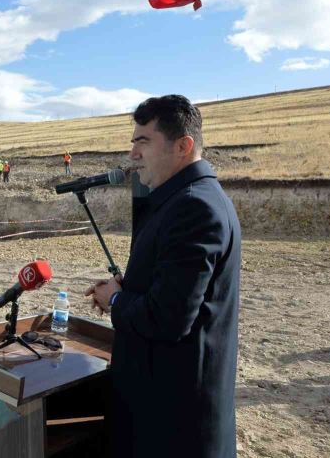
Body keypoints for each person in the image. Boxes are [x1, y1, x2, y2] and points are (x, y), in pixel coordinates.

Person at [84, 95, 241, 458]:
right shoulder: (184, 199)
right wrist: (127, 288)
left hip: (174, 423)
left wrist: (116, 299)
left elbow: (168, 317)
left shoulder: (194, 207)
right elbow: (173, 286)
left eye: (143, 142)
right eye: (132, 142)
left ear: (183, 146)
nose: (132, 154)